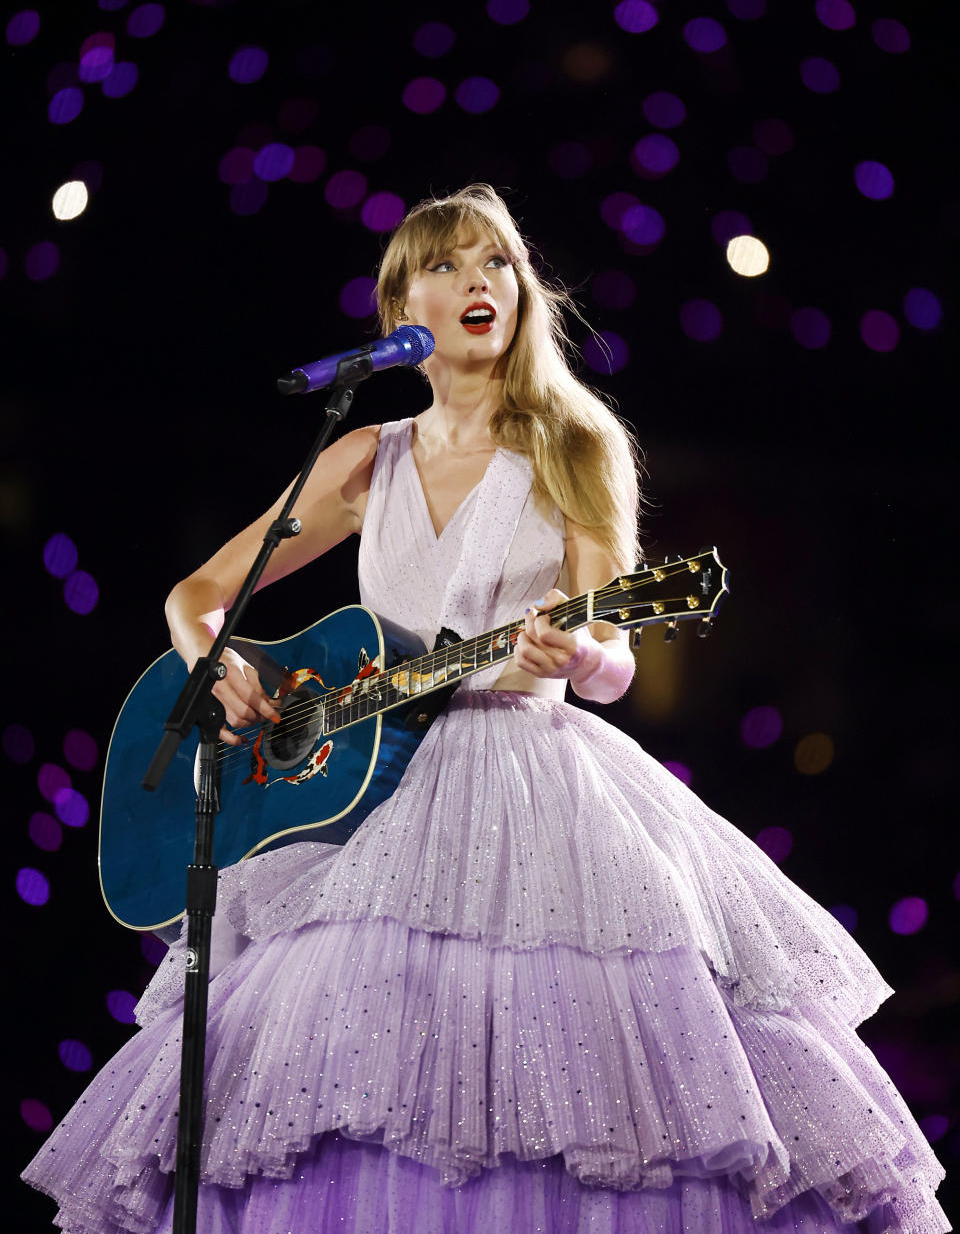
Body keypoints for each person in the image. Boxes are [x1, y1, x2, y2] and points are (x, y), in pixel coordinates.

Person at [24, 185, 948, 1233]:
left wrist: (580, 654)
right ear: (399, 307)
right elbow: (195, 597)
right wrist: (220, 661)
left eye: (499, 263)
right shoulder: (362, 457)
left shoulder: (576, 441)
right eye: (450, 263)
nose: (480, 281)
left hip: (528, 781)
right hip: (363, 797)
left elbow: (614, 655)